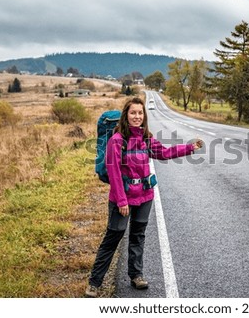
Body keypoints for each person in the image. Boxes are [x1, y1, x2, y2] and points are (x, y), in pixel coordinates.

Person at [86, 96, 203, 297]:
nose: (137, 116)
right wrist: (122, 200)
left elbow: (164, 153)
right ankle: (94, 283)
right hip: (121, 198)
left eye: (140, 113)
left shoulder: (146, 138)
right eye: (133, 113)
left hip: (145, 196)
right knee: (113, 237)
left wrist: (190, 148)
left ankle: (136, 275)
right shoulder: (117, 140)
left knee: (138, 236)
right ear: (126, 115)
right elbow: (113, 173)